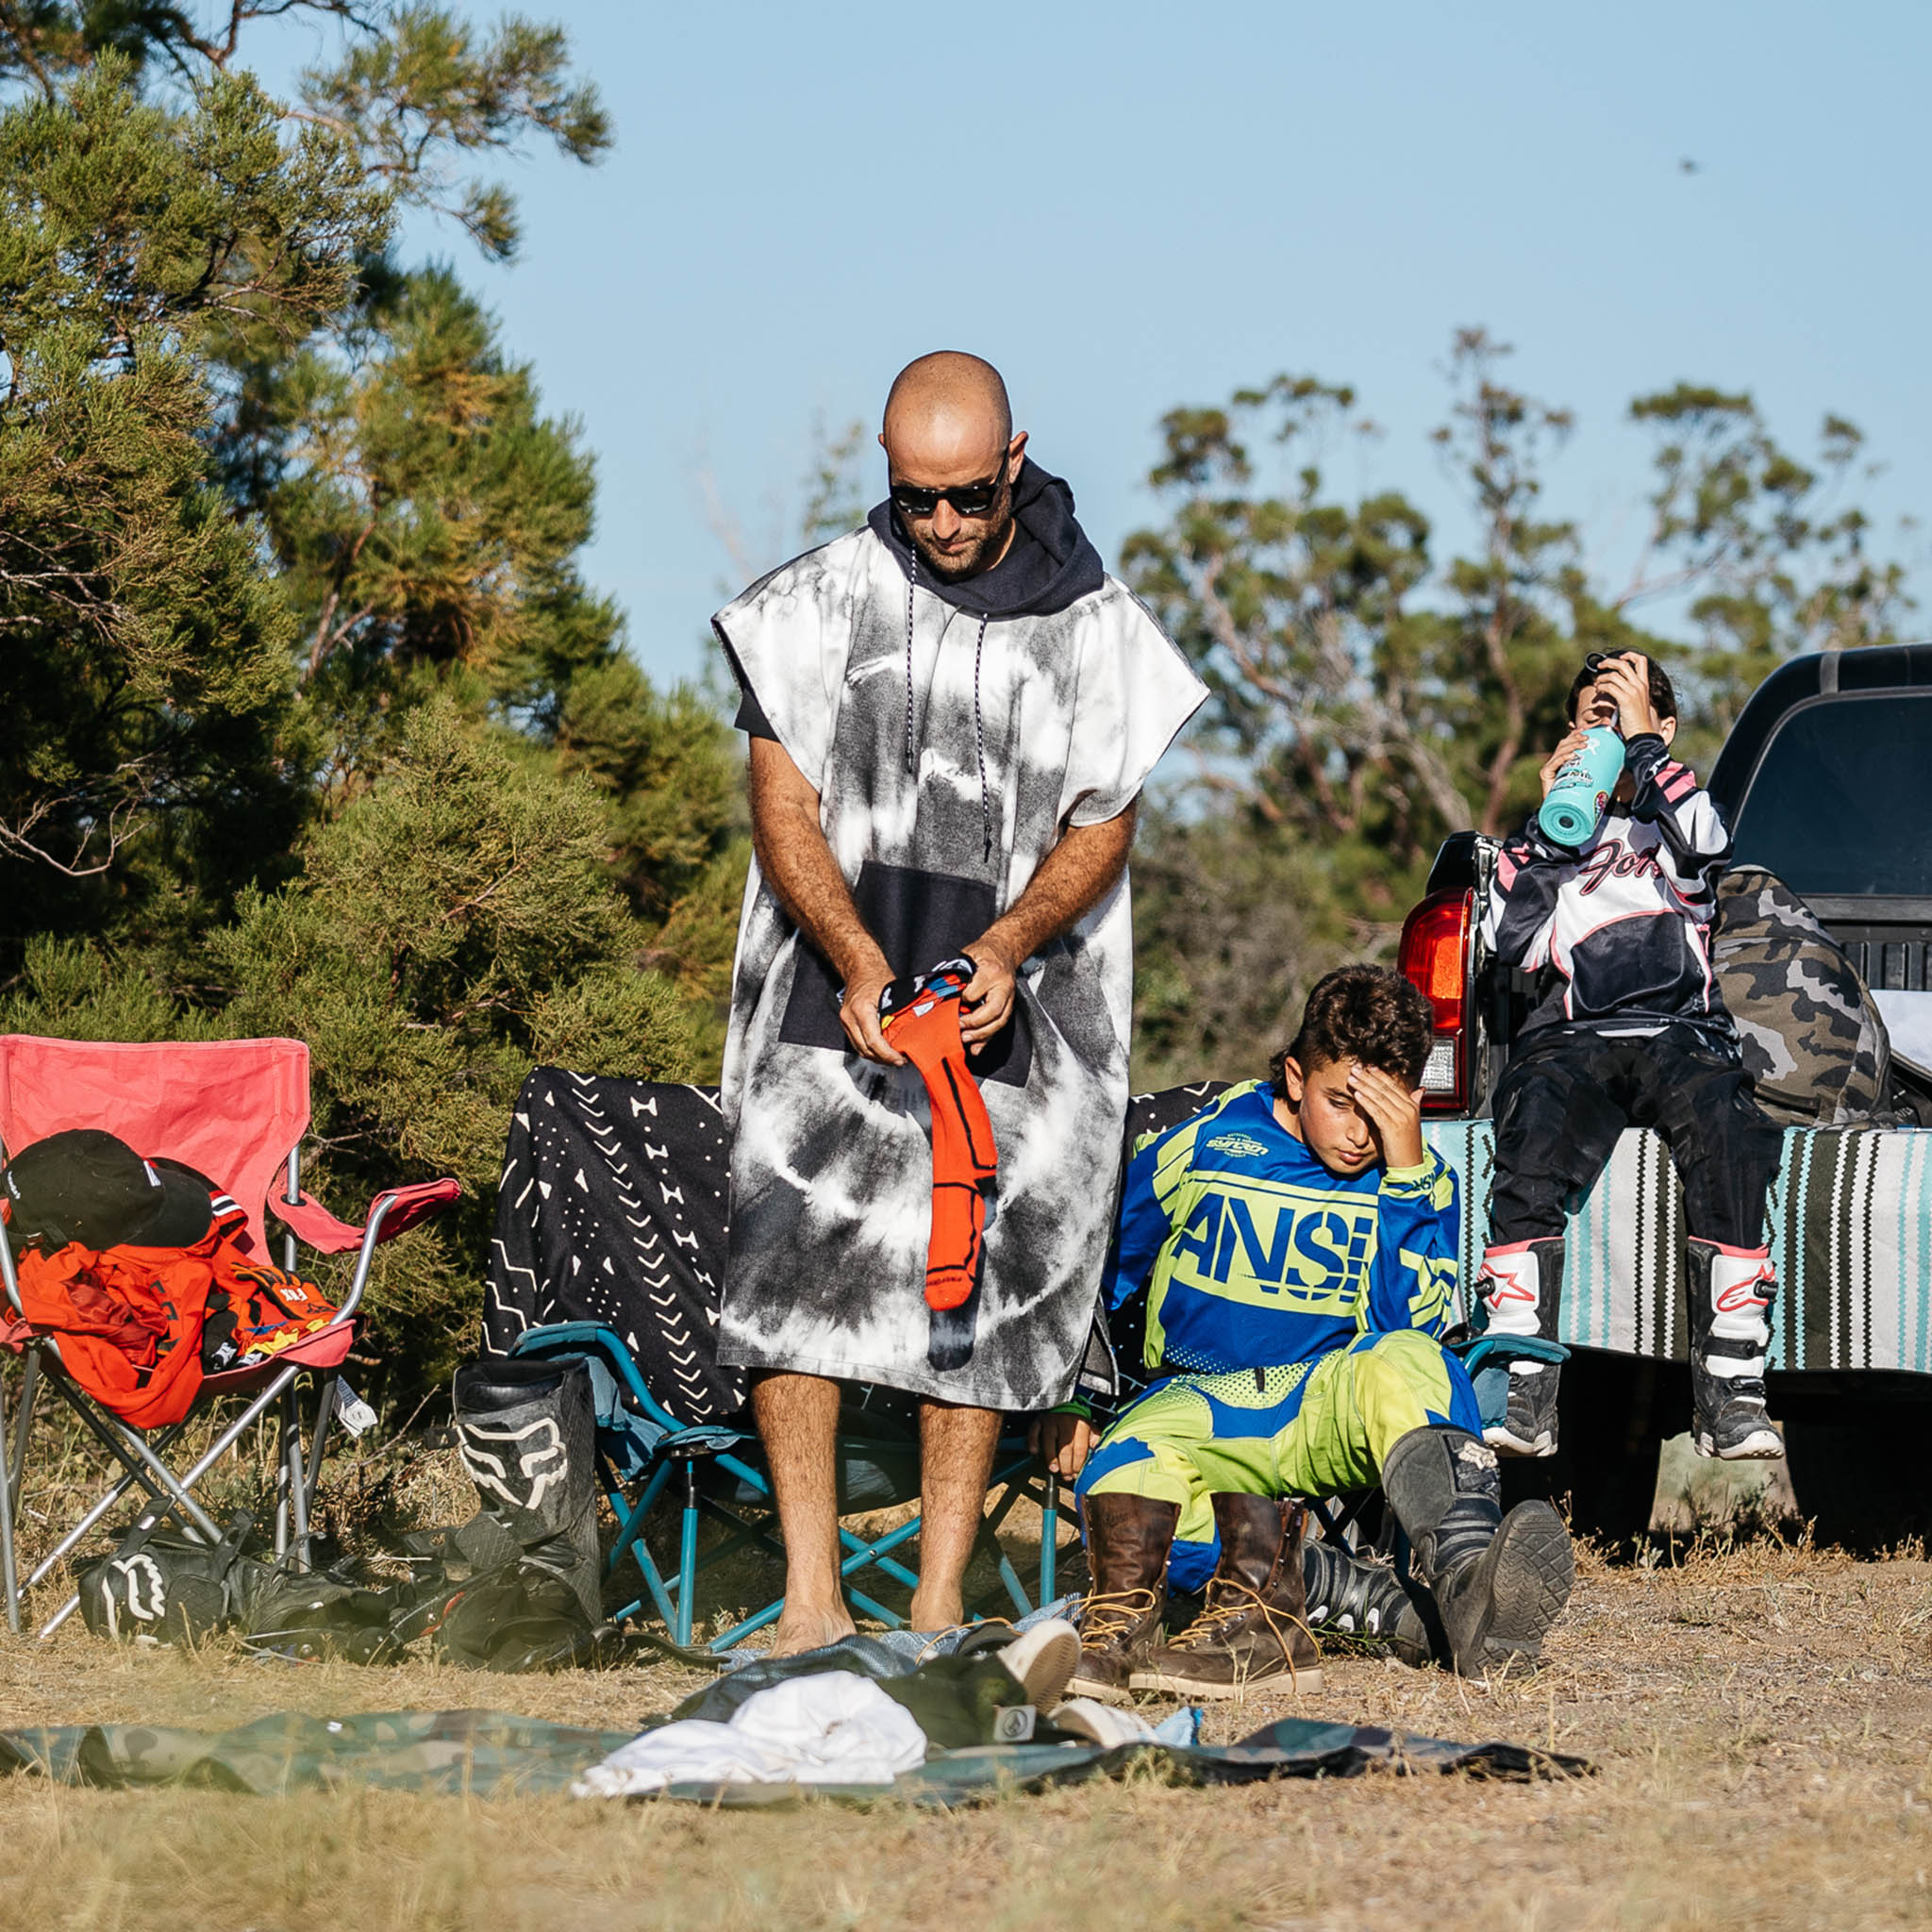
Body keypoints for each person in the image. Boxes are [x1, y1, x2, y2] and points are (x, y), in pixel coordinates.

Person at [713, 352, 1206, 1654]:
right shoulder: (816, 603)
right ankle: (811, 1601)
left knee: (980, 1288)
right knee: (792, 1267)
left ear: (1014, 460)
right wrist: (853, 958)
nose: (941, 522)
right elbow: (782, 805)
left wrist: (1005, 946)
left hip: (1017, 1001)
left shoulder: (1095, 628)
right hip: (836, 985)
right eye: (915, 497)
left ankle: (938, 1603)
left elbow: (1103, 824)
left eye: (969, 497)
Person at [1056, 966, 1574, 1698]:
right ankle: (1338, 1588)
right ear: (1297, 1077)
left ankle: (1468, 1586)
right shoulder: (1202, 1140)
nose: (1360, 1135)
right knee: (1120, 1481)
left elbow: (1416, 1334)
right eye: (1341, 1103)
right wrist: (1074, 1395)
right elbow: (1100, 1271)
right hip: (1196, 1405)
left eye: (1382, 1111)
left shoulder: (1419, 1177)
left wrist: (1406, 1173)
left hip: (1328, 1407)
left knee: (1410, 1359)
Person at [1476, 651, 1788, 1464]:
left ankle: (1731, 1386)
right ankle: (1522, 1383)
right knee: (1531, 1131)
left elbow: (1709, 842)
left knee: (1731, 1129)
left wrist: (1645, 752)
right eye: (1594, 715)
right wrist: (1553, 822)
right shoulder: (1543, 840)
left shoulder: (1672, 823)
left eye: (1625, 711)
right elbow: (1506, 938)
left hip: (1679, 1030)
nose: (1607, 729)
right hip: (1575, 1035)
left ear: (1662, 727)